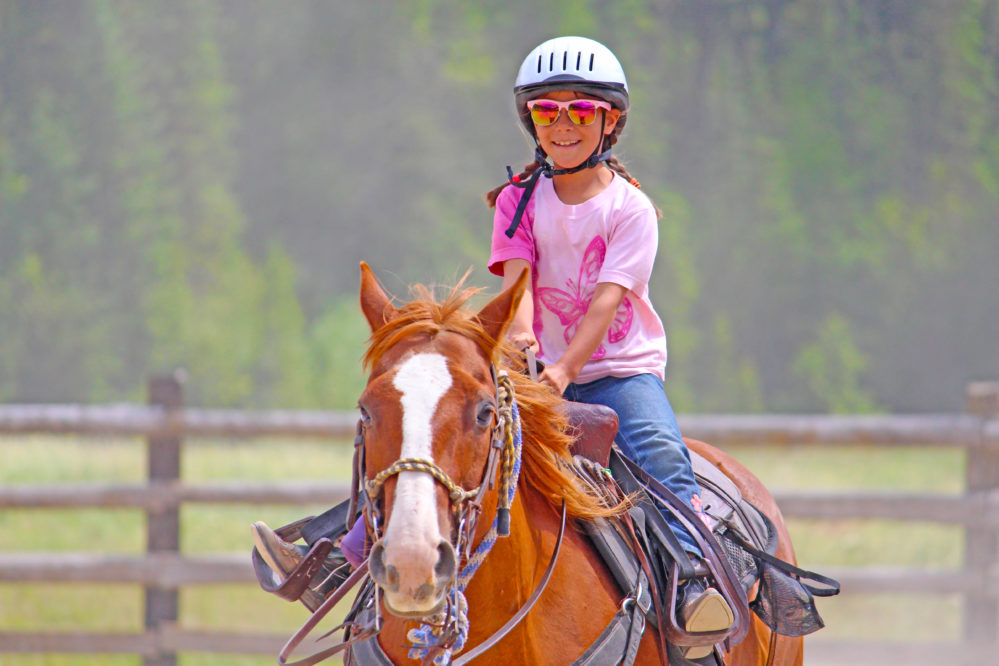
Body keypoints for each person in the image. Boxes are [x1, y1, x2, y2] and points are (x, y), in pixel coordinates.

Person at [485, 35, 732, 657]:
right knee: (445, 440)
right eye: (547, 111)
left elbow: (607, 300)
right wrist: (520, 344)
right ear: (530, 121)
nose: (563, 125)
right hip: (536, 371)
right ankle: (343, 557)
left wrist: (565, 370)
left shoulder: (632, 209)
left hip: (618, 371)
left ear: (610, 120)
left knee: (661, 458)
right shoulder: (517, 202)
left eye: (581, 112)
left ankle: (694, 585)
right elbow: (516, 288)